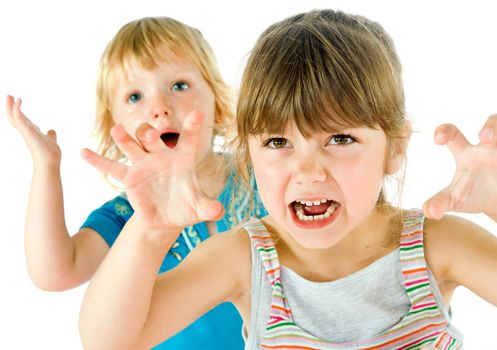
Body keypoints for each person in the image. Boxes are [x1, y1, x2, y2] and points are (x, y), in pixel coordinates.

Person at [79, 9, 497, 349]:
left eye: (340, 138)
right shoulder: (245, 259)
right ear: (249, 152)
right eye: (278, 141)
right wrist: (150, 230)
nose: (308, 170)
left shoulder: (434, 246)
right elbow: (111, 340)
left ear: (396, 148)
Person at [6, 16, 266, 350]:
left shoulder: (261, 176)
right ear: (114, 125)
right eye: (134, 97)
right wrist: (46, 167)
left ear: (216, 103)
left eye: (179, 85)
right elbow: (55, 272)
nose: (159, 108)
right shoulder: (127, 215)